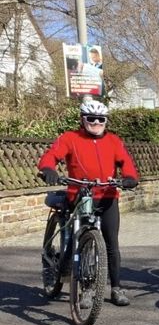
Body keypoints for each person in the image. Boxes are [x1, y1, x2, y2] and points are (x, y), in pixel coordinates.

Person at [38, 100, 140, 307]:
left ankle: (116, 288)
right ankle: (86, 288)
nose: (96, 122)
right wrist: (48, 169)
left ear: (106, 121)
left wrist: (130, 176)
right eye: (91, 119)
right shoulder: (70, 138)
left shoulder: (113, 140)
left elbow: (126, 163)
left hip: (107, 196)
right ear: (82, 120)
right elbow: (51, 156)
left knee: (112, 243)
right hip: (80, 195)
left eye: (100, 119)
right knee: (81, 239)